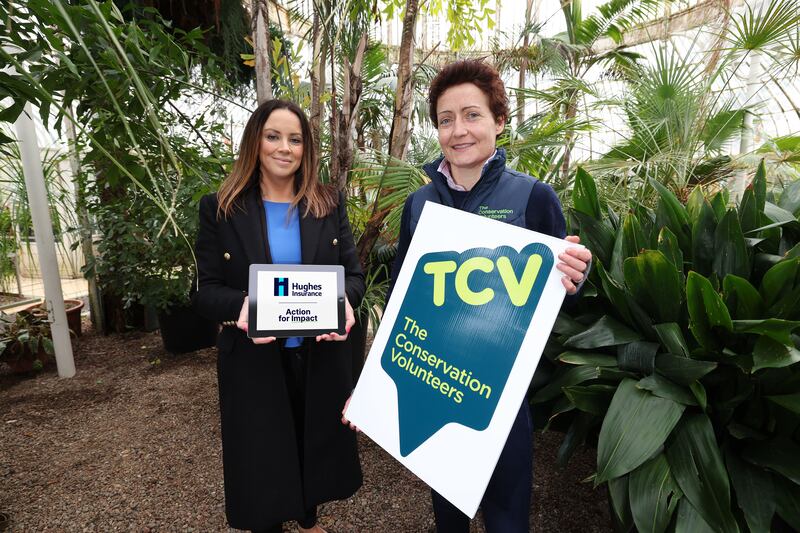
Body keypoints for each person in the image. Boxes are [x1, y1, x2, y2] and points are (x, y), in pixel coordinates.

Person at [389, 60, 592, 532]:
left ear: (499, 121)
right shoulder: (420, 204)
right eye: (445, 119)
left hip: (502, 396)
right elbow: (403, 294)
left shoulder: (533, 197)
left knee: (507, 517)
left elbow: (561, 299)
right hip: (435, 383)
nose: (458, 130)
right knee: (448, 517)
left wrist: (574, 279)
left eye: (472, 115)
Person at [193, 99, 364, 533]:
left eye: (295, 139)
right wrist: (241, 308)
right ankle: (266, 522)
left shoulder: (328, 202)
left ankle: (308, 517)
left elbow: (353, 277)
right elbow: (206, 292)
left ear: (306, 149)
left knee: (312, 440)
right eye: (273, 136)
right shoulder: (220, 208)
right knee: (261, 450)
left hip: (315, 353)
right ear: (255, 141)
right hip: (254, 357)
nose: (284, 147)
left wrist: (344, 302)